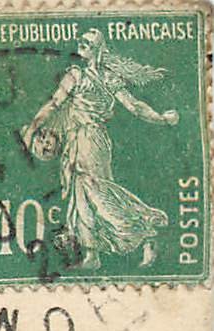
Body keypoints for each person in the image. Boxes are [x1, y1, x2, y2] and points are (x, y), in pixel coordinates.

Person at [20, 29, 179, 270]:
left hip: (93, 139)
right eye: (81, 41)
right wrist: (33, 127)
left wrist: (161, 118)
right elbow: (53, 104)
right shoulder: (74, 75)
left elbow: (134, 106)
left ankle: (144, 230)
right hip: (75, 139)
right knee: (80, 195)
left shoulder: (108, 79)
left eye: (87, 42)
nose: (81, 44)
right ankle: (92, 255)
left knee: (94, 190)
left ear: (99, 49)